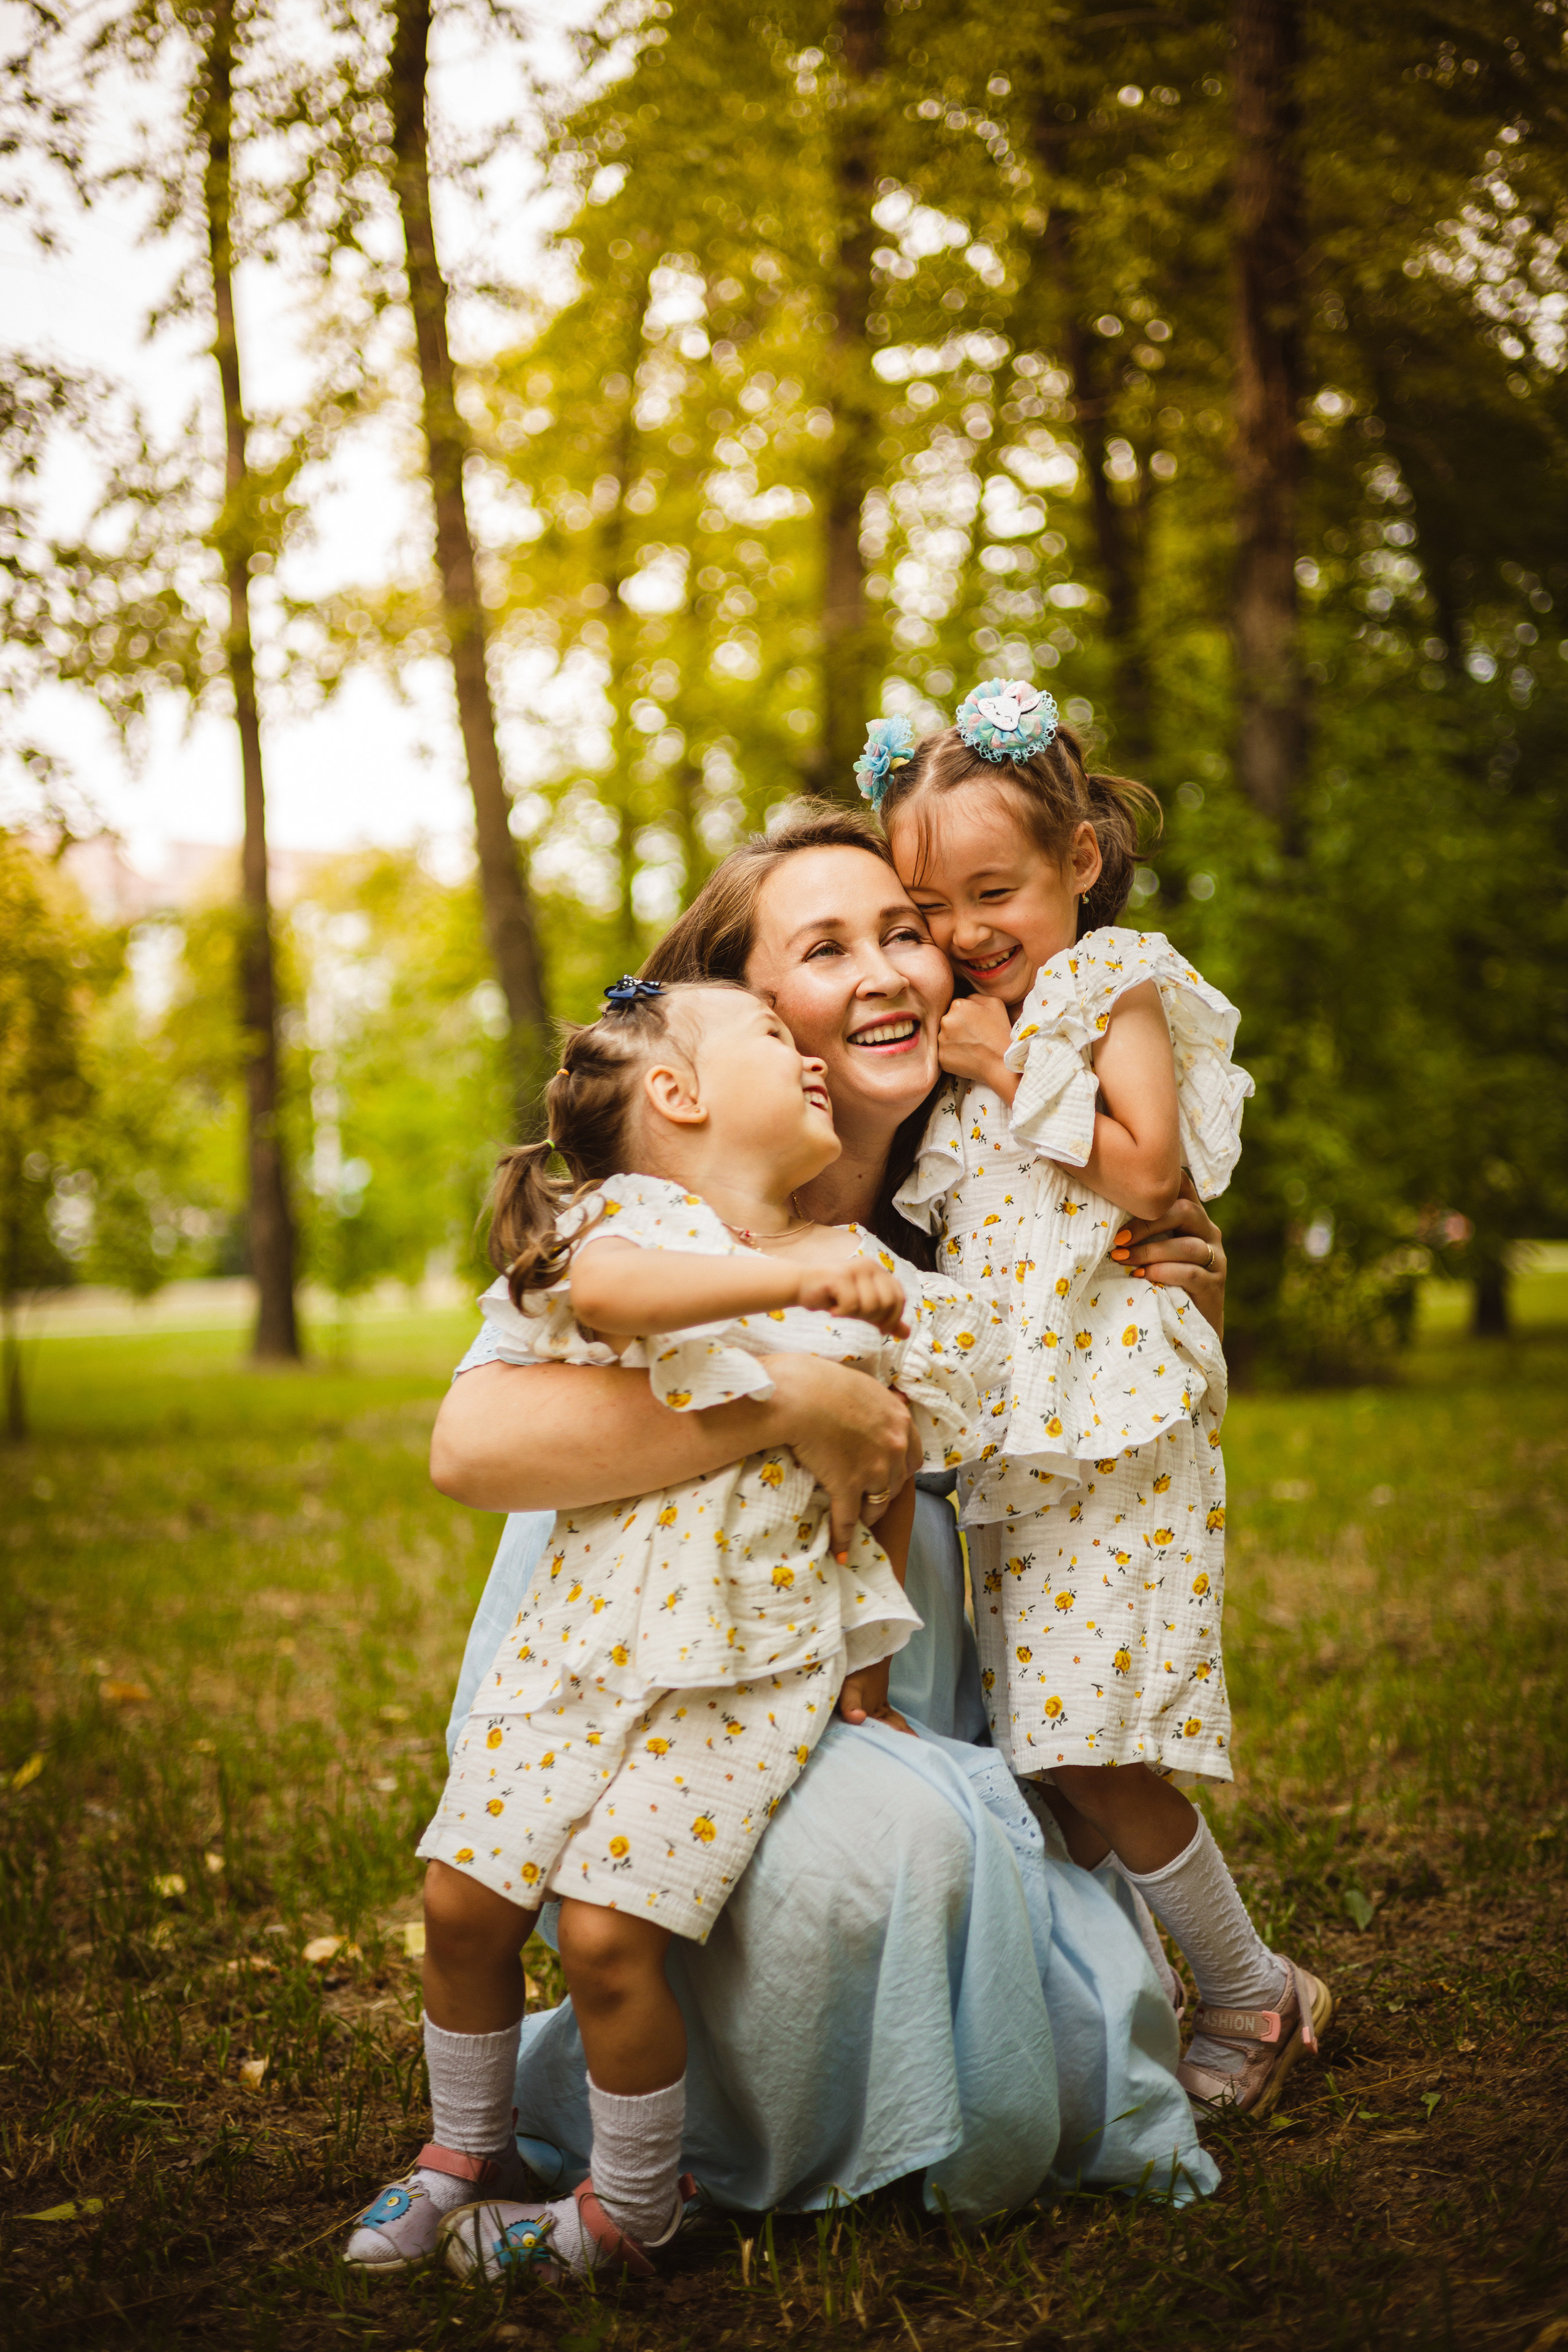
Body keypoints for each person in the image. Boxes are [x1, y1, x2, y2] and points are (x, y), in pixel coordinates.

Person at [388, 807, 1229, 2253]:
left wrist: (1181, 1311)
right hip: (639, 1667)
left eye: (905, 933)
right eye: (826, 948)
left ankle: (673, 2175)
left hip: (875, 1683)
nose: (892, 969)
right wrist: (791, 1396)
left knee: (938, 1889)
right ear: (738, 1018)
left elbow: (1097, 1466)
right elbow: (471, 1444)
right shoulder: (641, 1220)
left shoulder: (998, 1203)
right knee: (769, 1893)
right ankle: (592, 2161)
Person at [360, 975, 994, 2285]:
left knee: (606, 1936)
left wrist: (870, 1649)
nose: (807, 1056)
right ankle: (461, 2152)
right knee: (459, 1898)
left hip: (741, 1680)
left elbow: (878, 1472)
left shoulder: (860, 1272)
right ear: (676, 1095)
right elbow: (610, 1299)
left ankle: (630, 2206)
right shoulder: (635, 1221)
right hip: (575, 1650)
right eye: (773, 1036)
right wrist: (780, 1273)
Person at [870, 680, 1332, 2117]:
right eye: (926, 904)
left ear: (1078, 860)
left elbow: (1148, 1173)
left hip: (1117, 1422)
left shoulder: (1099, 985)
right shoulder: (966, 1030)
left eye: (991, 889)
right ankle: (1121, 1997)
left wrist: (1004, 1062)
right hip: (1026, 1437)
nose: (959, 933)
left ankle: (1255, 1997)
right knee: (1051, 1744)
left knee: (1090, 1737)